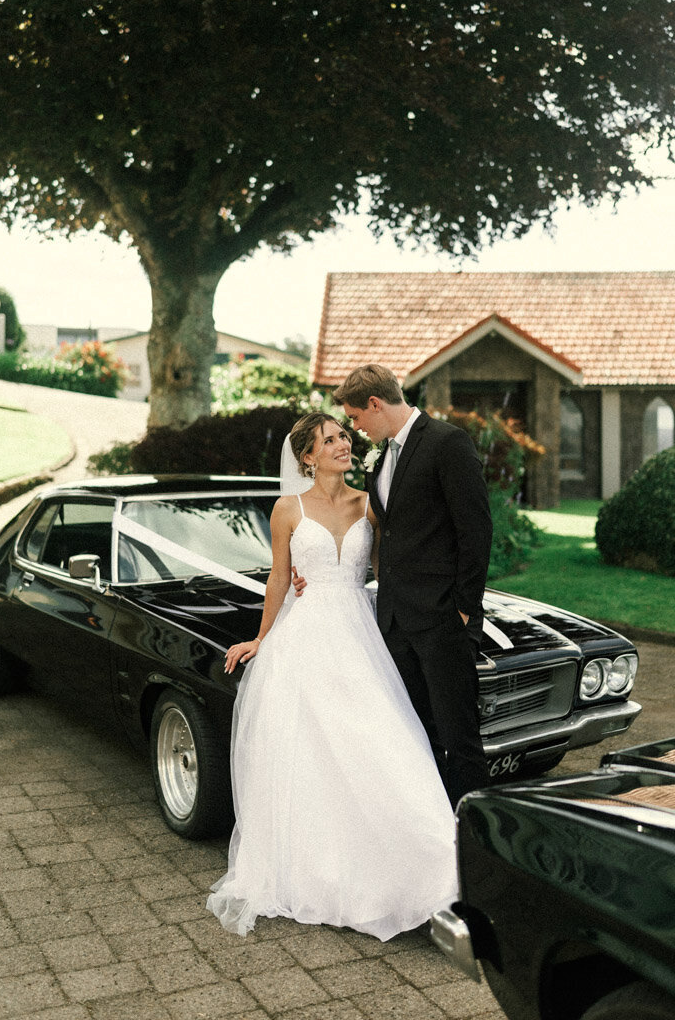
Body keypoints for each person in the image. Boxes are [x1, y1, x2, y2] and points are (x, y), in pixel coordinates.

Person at [206, 411, 457, 941]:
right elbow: (278, 577)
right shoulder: (287, 509)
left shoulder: (371, 503)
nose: (344, 443)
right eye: (330, 439)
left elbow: (392, 570)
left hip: (361, 634)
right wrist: (261, 636)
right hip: (306, 640)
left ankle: (430, 864)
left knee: (386, 743)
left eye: (345, 435)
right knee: (316, 754)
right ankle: (326, 868)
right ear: (307, 457)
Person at [333, 364, 493, 807]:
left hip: (443, 619)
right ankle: (434, 825)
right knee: (415, 734)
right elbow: (391, 532)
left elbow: (475, 530)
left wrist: (463, 608)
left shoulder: (446, 443)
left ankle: (477, 840)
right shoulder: (382, 458)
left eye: (356, 418)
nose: (355, 428)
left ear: (375, 404)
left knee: (459, 737)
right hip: (396, 622)